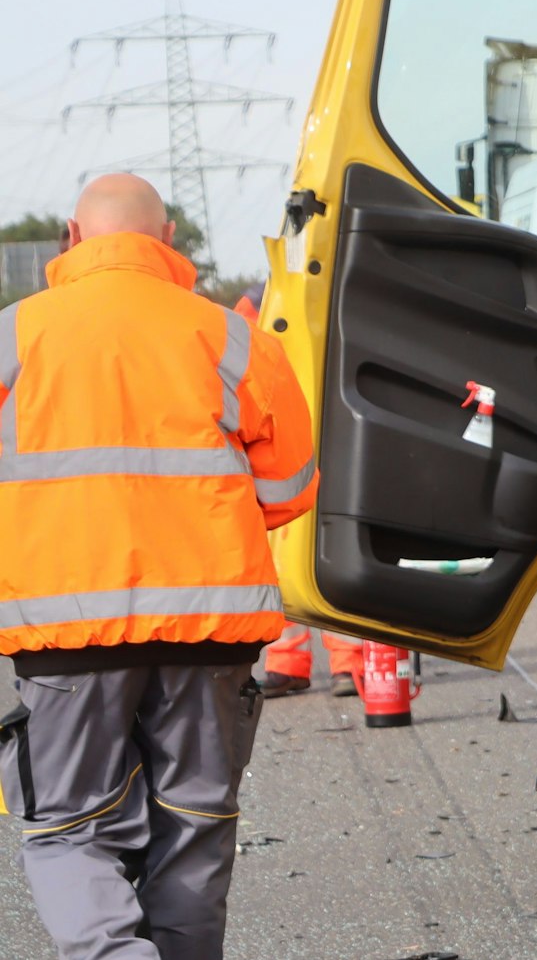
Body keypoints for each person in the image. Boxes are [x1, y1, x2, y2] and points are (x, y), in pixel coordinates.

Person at [0, 173, 317, 959]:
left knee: (67, 829)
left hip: (62, 634)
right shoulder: (234, 339)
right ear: (168, 240)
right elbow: (289, 488)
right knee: (194, 832)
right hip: (211, 632)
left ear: (72, 239)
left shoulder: (14, 336)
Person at [228, 286, 361, 699]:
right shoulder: (256, 304)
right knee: (278, 554)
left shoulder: (345, 289)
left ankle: (351, 663)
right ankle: (288, 662)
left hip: (338, 435)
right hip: (281, 442)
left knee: (338, 553)